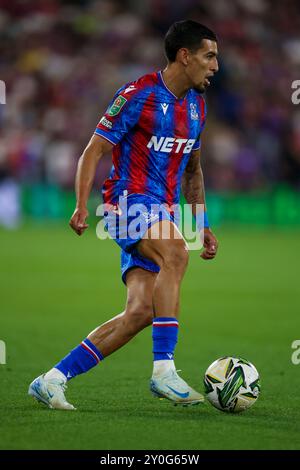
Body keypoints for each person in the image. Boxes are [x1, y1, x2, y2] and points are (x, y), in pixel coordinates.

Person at [28, 20, 219, 410]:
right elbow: (93, 150)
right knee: (176, 254)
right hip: (125, 202)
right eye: (209, 56)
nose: (216, 65)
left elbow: (193, 170)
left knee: (141, 312)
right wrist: (81, 205)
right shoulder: (139, 94)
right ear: (185, 56)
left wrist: (201, 225)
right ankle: (164, 370)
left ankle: (52, 379)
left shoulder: (198, 105)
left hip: (159, 209)